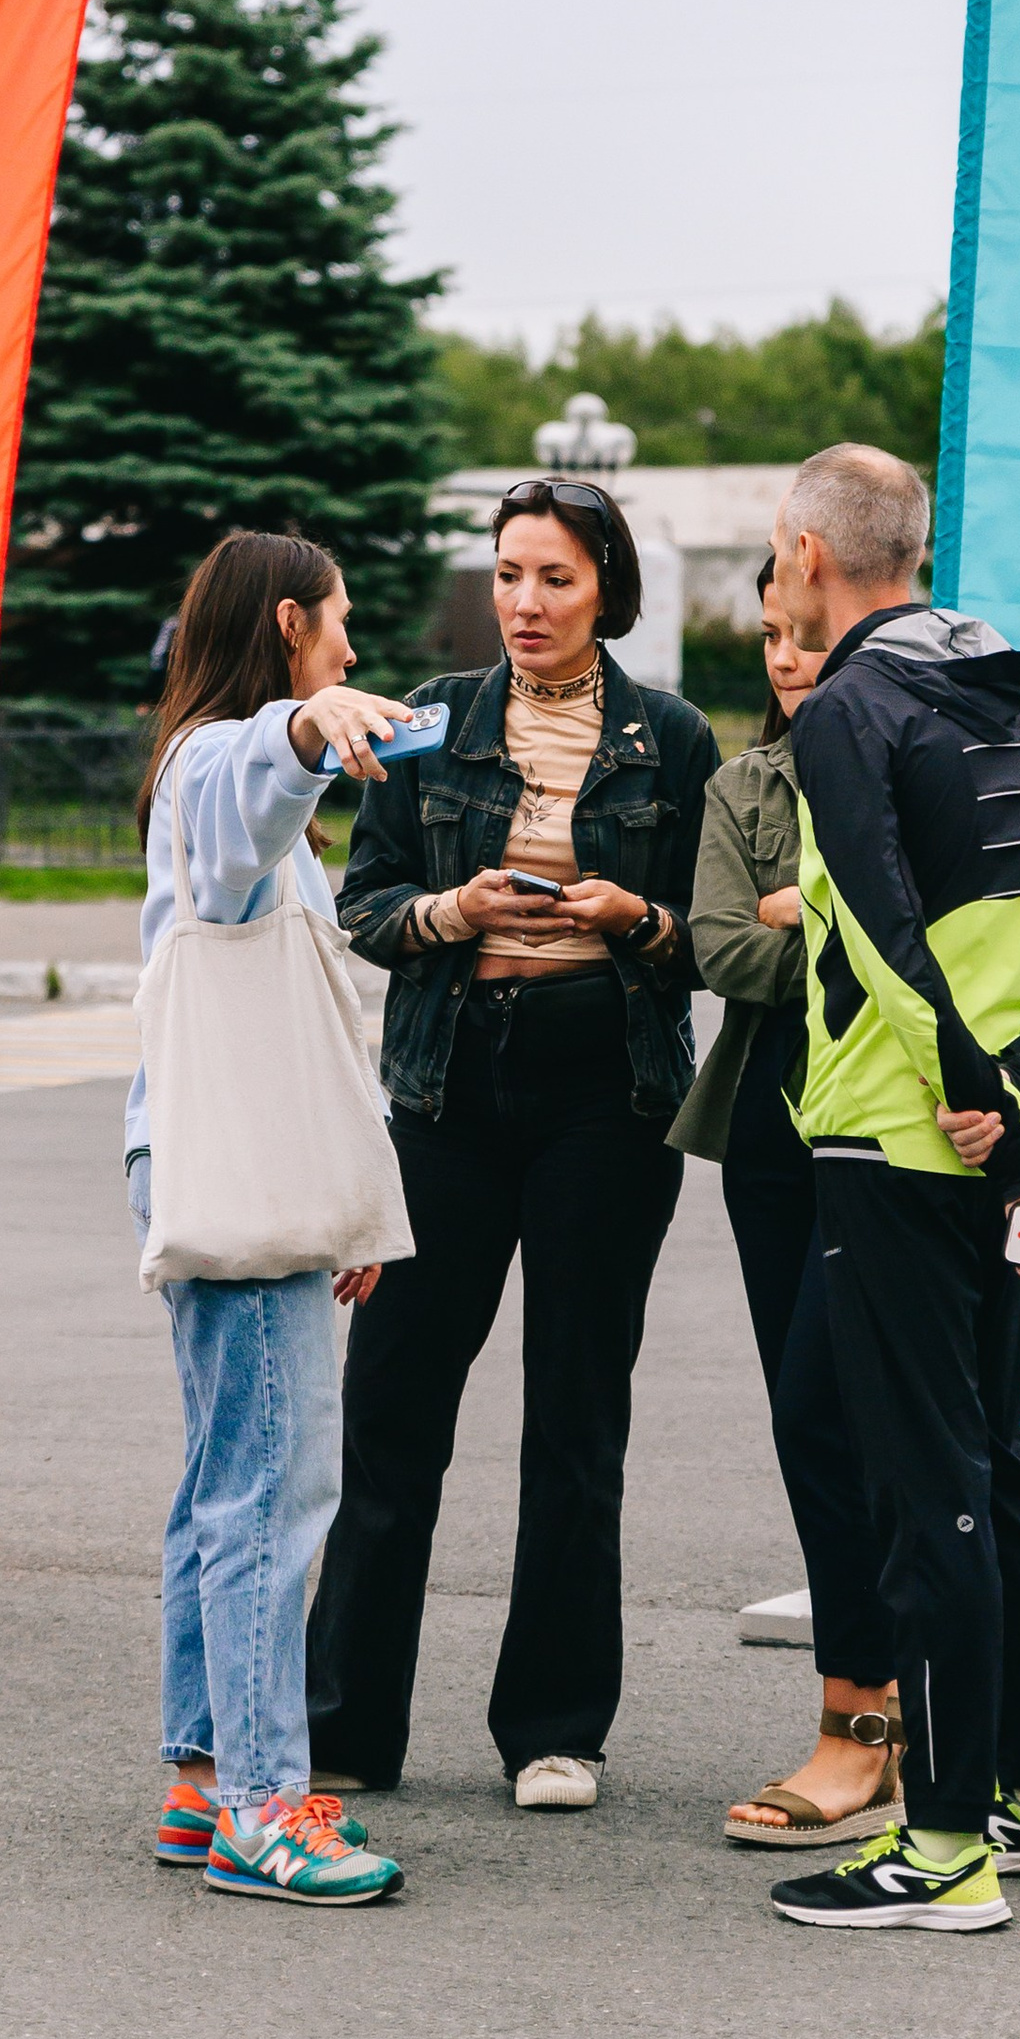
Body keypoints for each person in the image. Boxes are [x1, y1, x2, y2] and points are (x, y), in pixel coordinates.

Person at [757, 445, 1020, 1936]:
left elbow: (890, 936)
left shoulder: (852, 707)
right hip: (983, 1146)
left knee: (930, 1498)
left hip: (896, 1146)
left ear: (806, 554)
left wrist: (990, 1104)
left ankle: (946, 1850)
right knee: (992, 1475)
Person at [310, 477, 717, 1808]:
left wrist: (634, 919)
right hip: (450, 1087)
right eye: (507, 575)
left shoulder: (673, 737)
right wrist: (448, 910)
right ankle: (347, 1726)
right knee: (394, 1412)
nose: (524, 603)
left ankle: (554, 1730)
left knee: (576, 1417)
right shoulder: (435, 722)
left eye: (553, 577)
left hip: (607, 1086)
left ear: (605, 587)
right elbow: (362, 903)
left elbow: (710, 934)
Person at [127, 531, 409, 1906]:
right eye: (338, 627)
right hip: (232, 1165)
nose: (350, 650)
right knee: (272, 1490)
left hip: (219, 1158)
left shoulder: (203, 763)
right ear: (291, 622)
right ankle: (258, 1803)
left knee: (221, 1483)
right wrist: (302, 727)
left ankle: (203, 1778)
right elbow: (245, 795)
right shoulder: (218, 760)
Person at [671, 554, 902, 1848]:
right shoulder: (742, 783)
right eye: (764, 636)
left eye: (798, 630)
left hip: (900, 1122)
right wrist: (824, 922)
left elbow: (906, 936)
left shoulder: (907, 758)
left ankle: (886, 1720)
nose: (783, 655)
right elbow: (722, 949)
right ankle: (866, 1716)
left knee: (884, 1421)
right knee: (811, 1423)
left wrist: (803, 913)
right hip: (774, 1129)